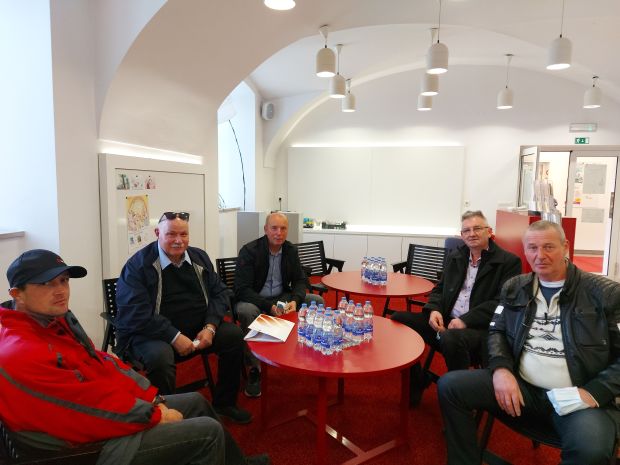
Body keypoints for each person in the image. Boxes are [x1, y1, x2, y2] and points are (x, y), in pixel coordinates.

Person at [0, 249, 269, 465]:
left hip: (99, 417)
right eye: (47, 284)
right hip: (85, 446)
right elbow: (86, 411)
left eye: (64, 281)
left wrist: (151, 398)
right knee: (207, 433)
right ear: (16, 294)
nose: (61, 290)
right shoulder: (22, 351)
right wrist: (152, 414)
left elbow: (101, 365)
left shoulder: (52, 323)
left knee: (197, 402)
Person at [439, 220, 620, 465]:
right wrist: (501, 369)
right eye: (532, 248)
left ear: (565, 247)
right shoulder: (515, 287)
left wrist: (594, 392)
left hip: (576, 397)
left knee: (591, 450)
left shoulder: (605, 294)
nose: (540, 255)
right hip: (523, 387)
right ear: (525, 250)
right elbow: (496, 330)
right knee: (450, 386)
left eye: (549, 247)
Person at [115, 211, 251, 424]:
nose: (178, 240)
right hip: (151, 333)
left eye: (183, 234)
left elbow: (220, 292)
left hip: (197, 327)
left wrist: (210, 326)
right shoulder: (138, 266)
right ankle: (167, 419)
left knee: (233, 335)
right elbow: (136, 313)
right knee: (160, 357)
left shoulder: (199, 257)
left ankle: (224, 403)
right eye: (171, 234)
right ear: (157, 233)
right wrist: (174, 336)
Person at [392, 210, 521, 406]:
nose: (472, 234)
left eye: (477, 228)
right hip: (446, 320)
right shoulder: (456, 256)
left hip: (478, 329)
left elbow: (501, 303)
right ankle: (417, 379)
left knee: (450, 338)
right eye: (466, 230)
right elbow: (440, 288)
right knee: (399, 320)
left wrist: (465, 320)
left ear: (489, 232)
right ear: (462, 235)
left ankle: (460, 397)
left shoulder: (508, 262)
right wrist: (434, 309)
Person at [234, 212, 324, 397]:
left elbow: (300, 280)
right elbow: (242, 289)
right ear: (265, 229)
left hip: (282, 298)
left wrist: (295, 301)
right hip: (256, 300)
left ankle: (309, 353)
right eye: (274, 228)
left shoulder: (290, 250)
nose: (278, 233)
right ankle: (255, 368)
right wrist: (269, 307)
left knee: (317, 301)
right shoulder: (249, 251)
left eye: (283, 228)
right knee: (246, 310)